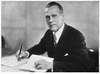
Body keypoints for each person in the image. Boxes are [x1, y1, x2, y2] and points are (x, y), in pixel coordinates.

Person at [16, 1, 89, 72]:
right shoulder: (49, 33)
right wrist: (26, 53)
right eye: (47, 17)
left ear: (62, 17)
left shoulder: (75, 35)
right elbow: (39, 47)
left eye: (54, 16)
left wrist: (52, 65)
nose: (50, 20)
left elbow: (83, 65)